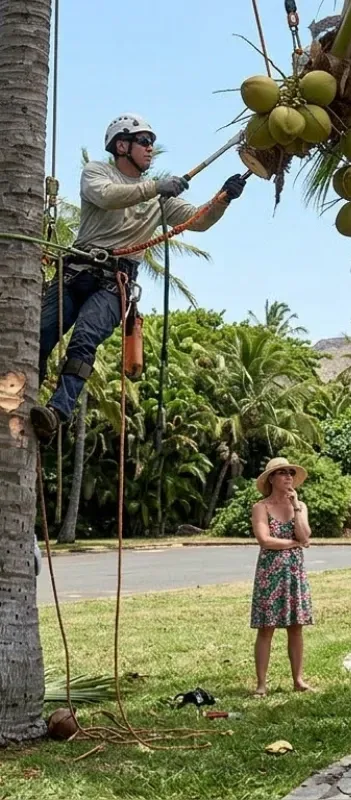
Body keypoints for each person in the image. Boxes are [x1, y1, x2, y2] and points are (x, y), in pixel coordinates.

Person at [31, 113, 248, 442]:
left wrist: (223, 199)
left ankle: (58, 411)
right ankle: (24, 396)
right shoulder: (98, 173)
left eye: (152, 144)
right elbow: (106, 196)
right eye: (144, 142)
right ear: (122, 145)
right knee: (41, 335)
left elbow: (196, 220)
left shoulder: (160, 198)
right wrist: (156, 187)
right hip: (75, 273)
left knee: (85, 339)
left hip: (112, 284)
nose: (150, 149)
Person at [250, 457, 314, 696]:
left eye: (290, 472)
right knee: (266, 628)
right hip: (270, 573)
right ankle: (261, 684)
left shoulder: (301, 506)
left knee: (296, 627)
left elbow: (305, 535)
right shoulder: (261, 507)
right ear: (271, 479)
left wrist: (296, 506)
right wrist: (294, 543)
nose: (288, 476)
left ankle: (298, 680)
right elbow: (265, 540)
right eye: (282, 473)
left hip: (294, 573)